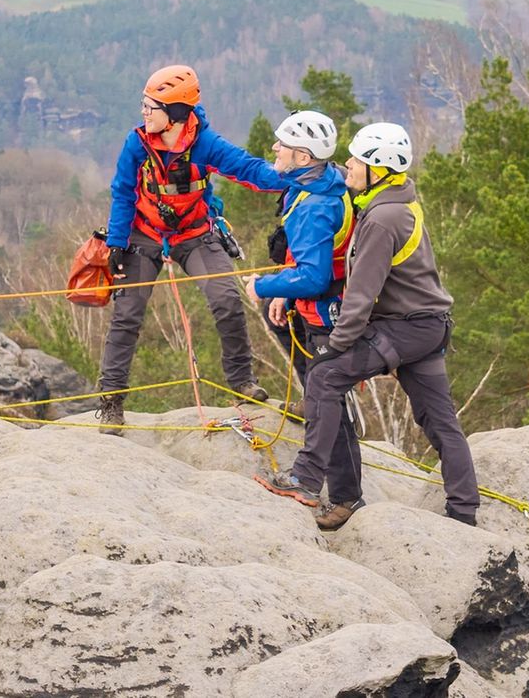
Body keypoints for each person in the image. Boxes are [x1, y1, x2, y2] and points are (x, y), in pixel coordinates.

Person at [254, 122, 480, 527]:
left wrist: (337, 345)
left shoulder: (381, 220)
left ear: (377, 169)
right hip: (429, 326)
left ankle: (306, 478)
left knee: (324, 377)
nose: (349, 165)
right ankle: (464, 512)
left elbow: (361, 294)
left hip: (405, 327)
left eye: (357, 160)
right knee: (439, 421)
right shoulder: (394, 199)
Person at [96, 65, 285, 429]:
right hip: (144, 233)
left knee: (226, 300)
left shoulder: (205, 144)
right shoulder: (137, 143)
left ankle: (242, 382)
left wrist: (304, 177)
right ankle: (111, 402)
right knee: (127, 314)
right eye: (144, 105)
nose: (143, 112)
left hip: (195, 233)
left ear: (176, 112)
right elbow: (123, 191)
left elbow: (250, 171)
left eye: (150, 107)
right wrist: (117, 243)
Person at [242, 111, 362, 530]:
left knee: (328, 401)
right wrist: (283, 294)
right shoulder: (325, 180)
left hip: (325, 315)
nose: (275, 147)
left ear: (304, 156)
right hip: (322, 308)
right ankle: (346, 495)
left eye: (283, 144)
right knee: (324, 395)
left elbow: (313, 276)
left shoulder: (314, 207)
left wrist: (265, 285)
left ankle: (337, 493)